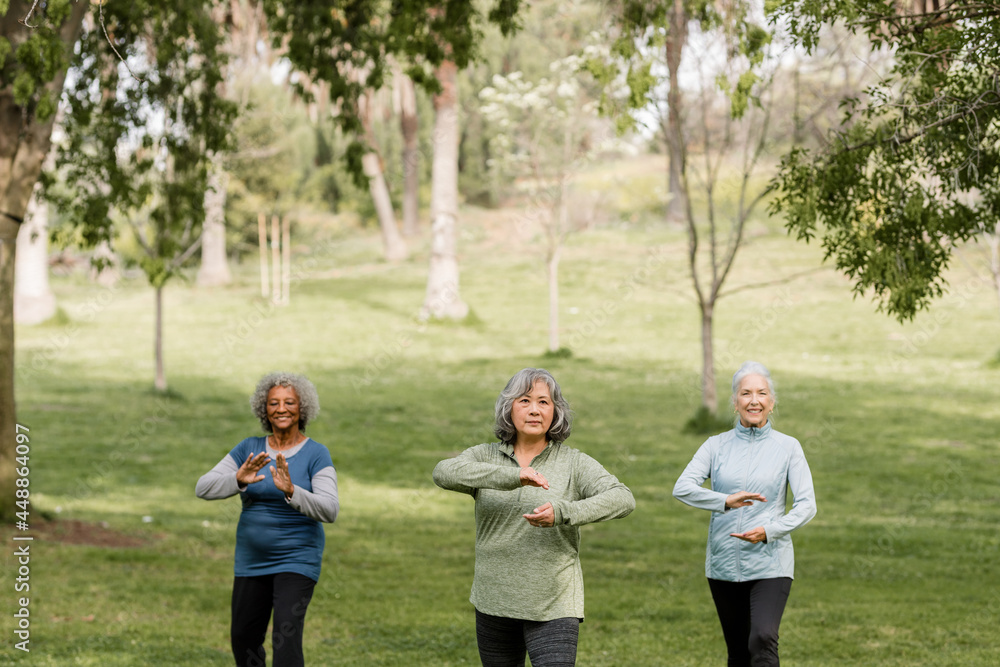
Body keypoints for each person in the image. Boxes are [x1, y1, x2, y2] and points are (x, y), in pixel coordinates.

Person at [433, 367, 635, 667]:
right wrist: (515, 475)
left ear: (556, 412)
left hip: (553, 603)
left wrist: (564, 512)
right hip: (494, 600)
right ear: (508, 408)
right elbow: (443, 472)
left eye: (544, 402)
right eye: (524, 401)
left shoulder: (573, 462)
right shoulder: (485, 457)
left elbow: (623, 498)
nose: (534, 410)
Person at [673, 361, 817, 667]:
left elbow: (807, 505)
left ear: (772, 402)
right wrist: (725, 500)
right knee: (738, 653)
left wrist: (770, 531)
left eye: (762, 393)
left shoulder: (788, 447)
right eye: (746, 393)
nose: (754, 400)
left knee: (762, 638)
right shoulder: (715, 446)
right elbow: (682, 487)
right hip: (723, 563)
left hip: (771, 561)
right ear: (735, 402)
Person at [197, 372, 339, 667]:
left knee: (285, 642)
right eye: (273, 403)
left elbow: (329, 509)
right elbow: (203, 487)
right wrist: (237, 478)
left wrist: (292, 491)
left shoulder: (316, 454)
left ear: (303, 408)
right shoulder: (248, 449)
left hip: (297, 560)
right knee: (244, 640)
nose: (281, 408)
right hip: (251, 561)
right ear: (264, 409)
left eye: (289, 402)